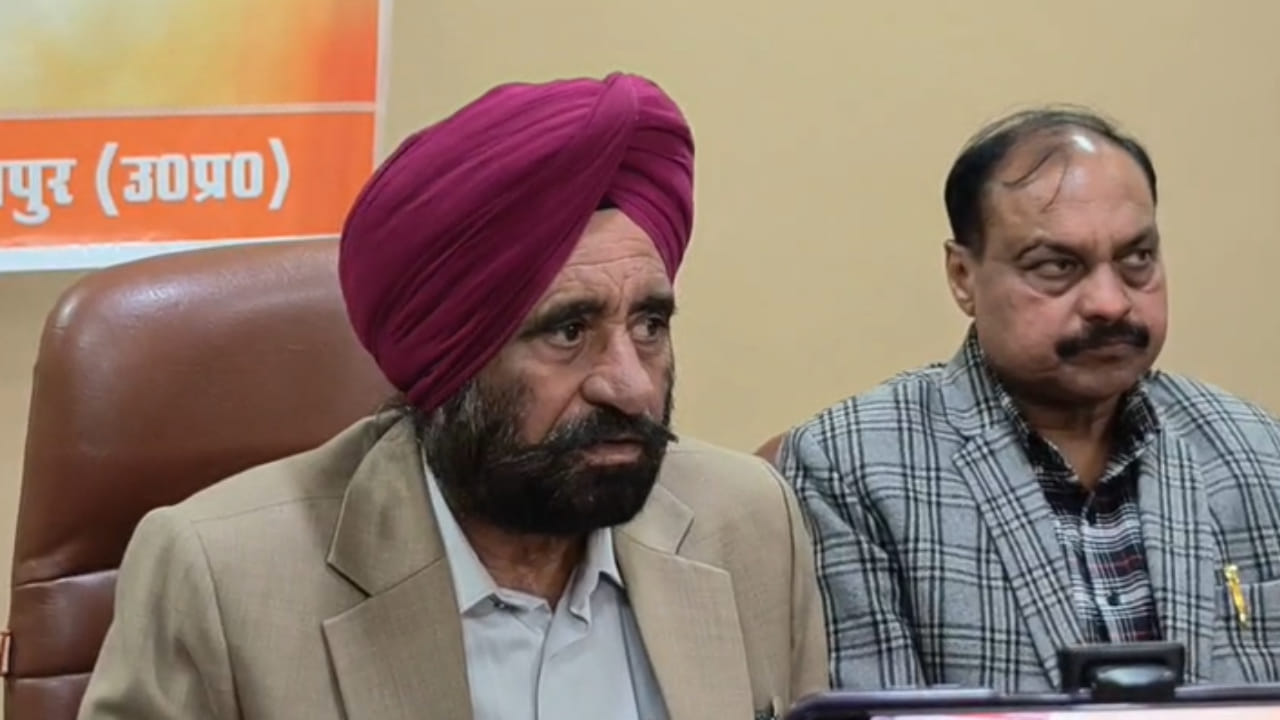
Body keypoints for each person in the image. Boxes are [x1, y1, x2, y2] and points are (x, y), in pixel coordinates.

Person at [79, 73, 827, 720]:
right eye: (569, 331)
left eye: (650, 325)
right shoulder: (222, 577)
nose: (630, 385)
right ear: (451, 364)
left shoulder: (748, 524)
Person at [781, 106, 1280, 693]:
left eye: (1136, 259)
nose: (1110, 303)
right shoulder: (852, 466)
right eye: (1057, 266)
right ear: (962, 276)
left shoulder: (1257, 451)